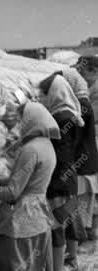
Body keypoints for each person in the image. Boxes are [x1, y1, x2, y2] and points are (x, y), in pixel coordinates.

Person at [0, 102, 58, 271]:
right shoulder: (47, 146)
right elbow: (23, 181)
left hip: (23, 218)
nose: (19, 124)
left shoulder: (30, 149)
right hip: (40, 214)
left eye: (22, 118)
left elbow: (13, 191)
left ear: (31, 120)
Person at [38, 74, 85, 271]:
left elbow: (61, 153)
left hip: (59, 181)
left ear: (53, 93)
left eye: (44, 94)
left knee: (56, 229)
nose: (42, 98)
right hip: (65, 178)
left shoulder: (61, 118)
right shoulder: (69, 113)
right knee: (59, 228)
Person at [62, 66, 98, 259]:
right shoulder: (82, 101)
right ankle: (85, 237)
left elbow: (76, 136)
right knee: (86, 200)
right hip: (87, 158)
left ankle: (87, 239)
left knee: (84, 200)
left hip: (84, 161)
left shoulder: (81, 105)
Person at [75, 55, 98, 246]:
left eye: (82, 72)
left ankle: (87, 230)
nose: (79, 75)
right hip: (91, 146)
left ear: (93, 72)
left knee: (87, 189)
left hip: (91, 148)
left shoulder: (94, 93)